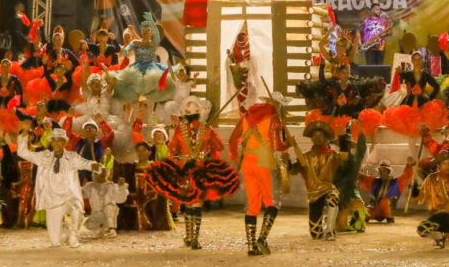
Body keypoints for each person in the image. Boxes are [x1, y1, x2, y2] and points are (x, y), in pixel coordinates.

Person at [146, 95, 240, 250]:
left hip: (185, 170)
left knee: (189, 202)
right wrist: (207, 155)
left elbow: (172, 150)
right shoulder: (207, 129)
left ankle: (189, 236)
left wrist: (180, 158)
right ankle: (194, 237)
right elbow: (219, 146)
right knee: (197, 202)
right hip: (201, 170)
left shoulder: (180, 130)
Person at [229, 93, 291, 256]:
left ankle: (251, 246)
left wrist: (235, 157)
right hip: (264, 162)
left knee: (252, 205)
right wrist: (288, 144)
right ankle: (262, 239)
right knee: (272, 202)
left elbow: (233, 139)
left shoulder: (247, 116)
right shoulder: (274, 118)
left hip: (247, 162)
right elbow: (276, 145)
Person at [18, 126, 94, 247]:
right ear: (51, 142)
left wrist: (94, 166)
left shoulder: (72, 157)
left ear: (64, 142)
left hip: (69, 197)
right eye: (54, 140)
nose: (56, 143)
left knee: (77, 209)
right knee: (56, 242)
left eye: (59, 140)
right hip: (52, 200)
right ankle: (65, 229)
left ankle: (73, 236)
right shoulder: (43, 157)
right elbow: (22, 153)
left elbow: (85, 163)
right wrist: (23, 136)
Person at [289, 121, 356, 242]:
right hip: (313, 195)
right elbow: (293, 170)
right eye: (315, 136)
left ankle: (330, 230)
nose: (317, 139)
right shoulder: (305, 156)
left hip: (328, 189)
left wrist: (342, 137)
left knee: (333, 198)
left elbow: (345, 156)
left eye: (320, 136)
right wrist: (286, 161)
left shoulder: (332, 155)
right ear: (311, 139)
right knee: (315, 234)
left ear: (326, 139)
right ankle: (324, 225)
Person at [82, 163, 130, 239]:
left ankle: (112, 229)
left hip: (110, 213)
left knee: (109, 208)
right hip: (97, 214)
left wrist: (121, 188)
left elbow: (120, 199)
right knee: (89, 223)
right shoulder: (90, 187)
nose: (99, 175)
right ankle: (99, 231)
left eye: (101, 173)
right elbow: (81, 194)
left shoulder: (112, 186)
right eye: (96, 173)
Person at [361, 158, 414, 224]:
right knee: (362, 211)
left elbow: (406, 176)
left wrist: (409, 166)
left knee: (384, 201)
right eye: (380, 170)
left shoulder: (396, 182)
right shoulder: (375, 181)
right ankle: (369, 216)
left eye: (383, 170)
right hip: (375, 209)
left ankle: (389, 217)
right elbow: (362, 177)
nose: (381, 172)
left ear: (388, 171)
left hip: (389, 209)